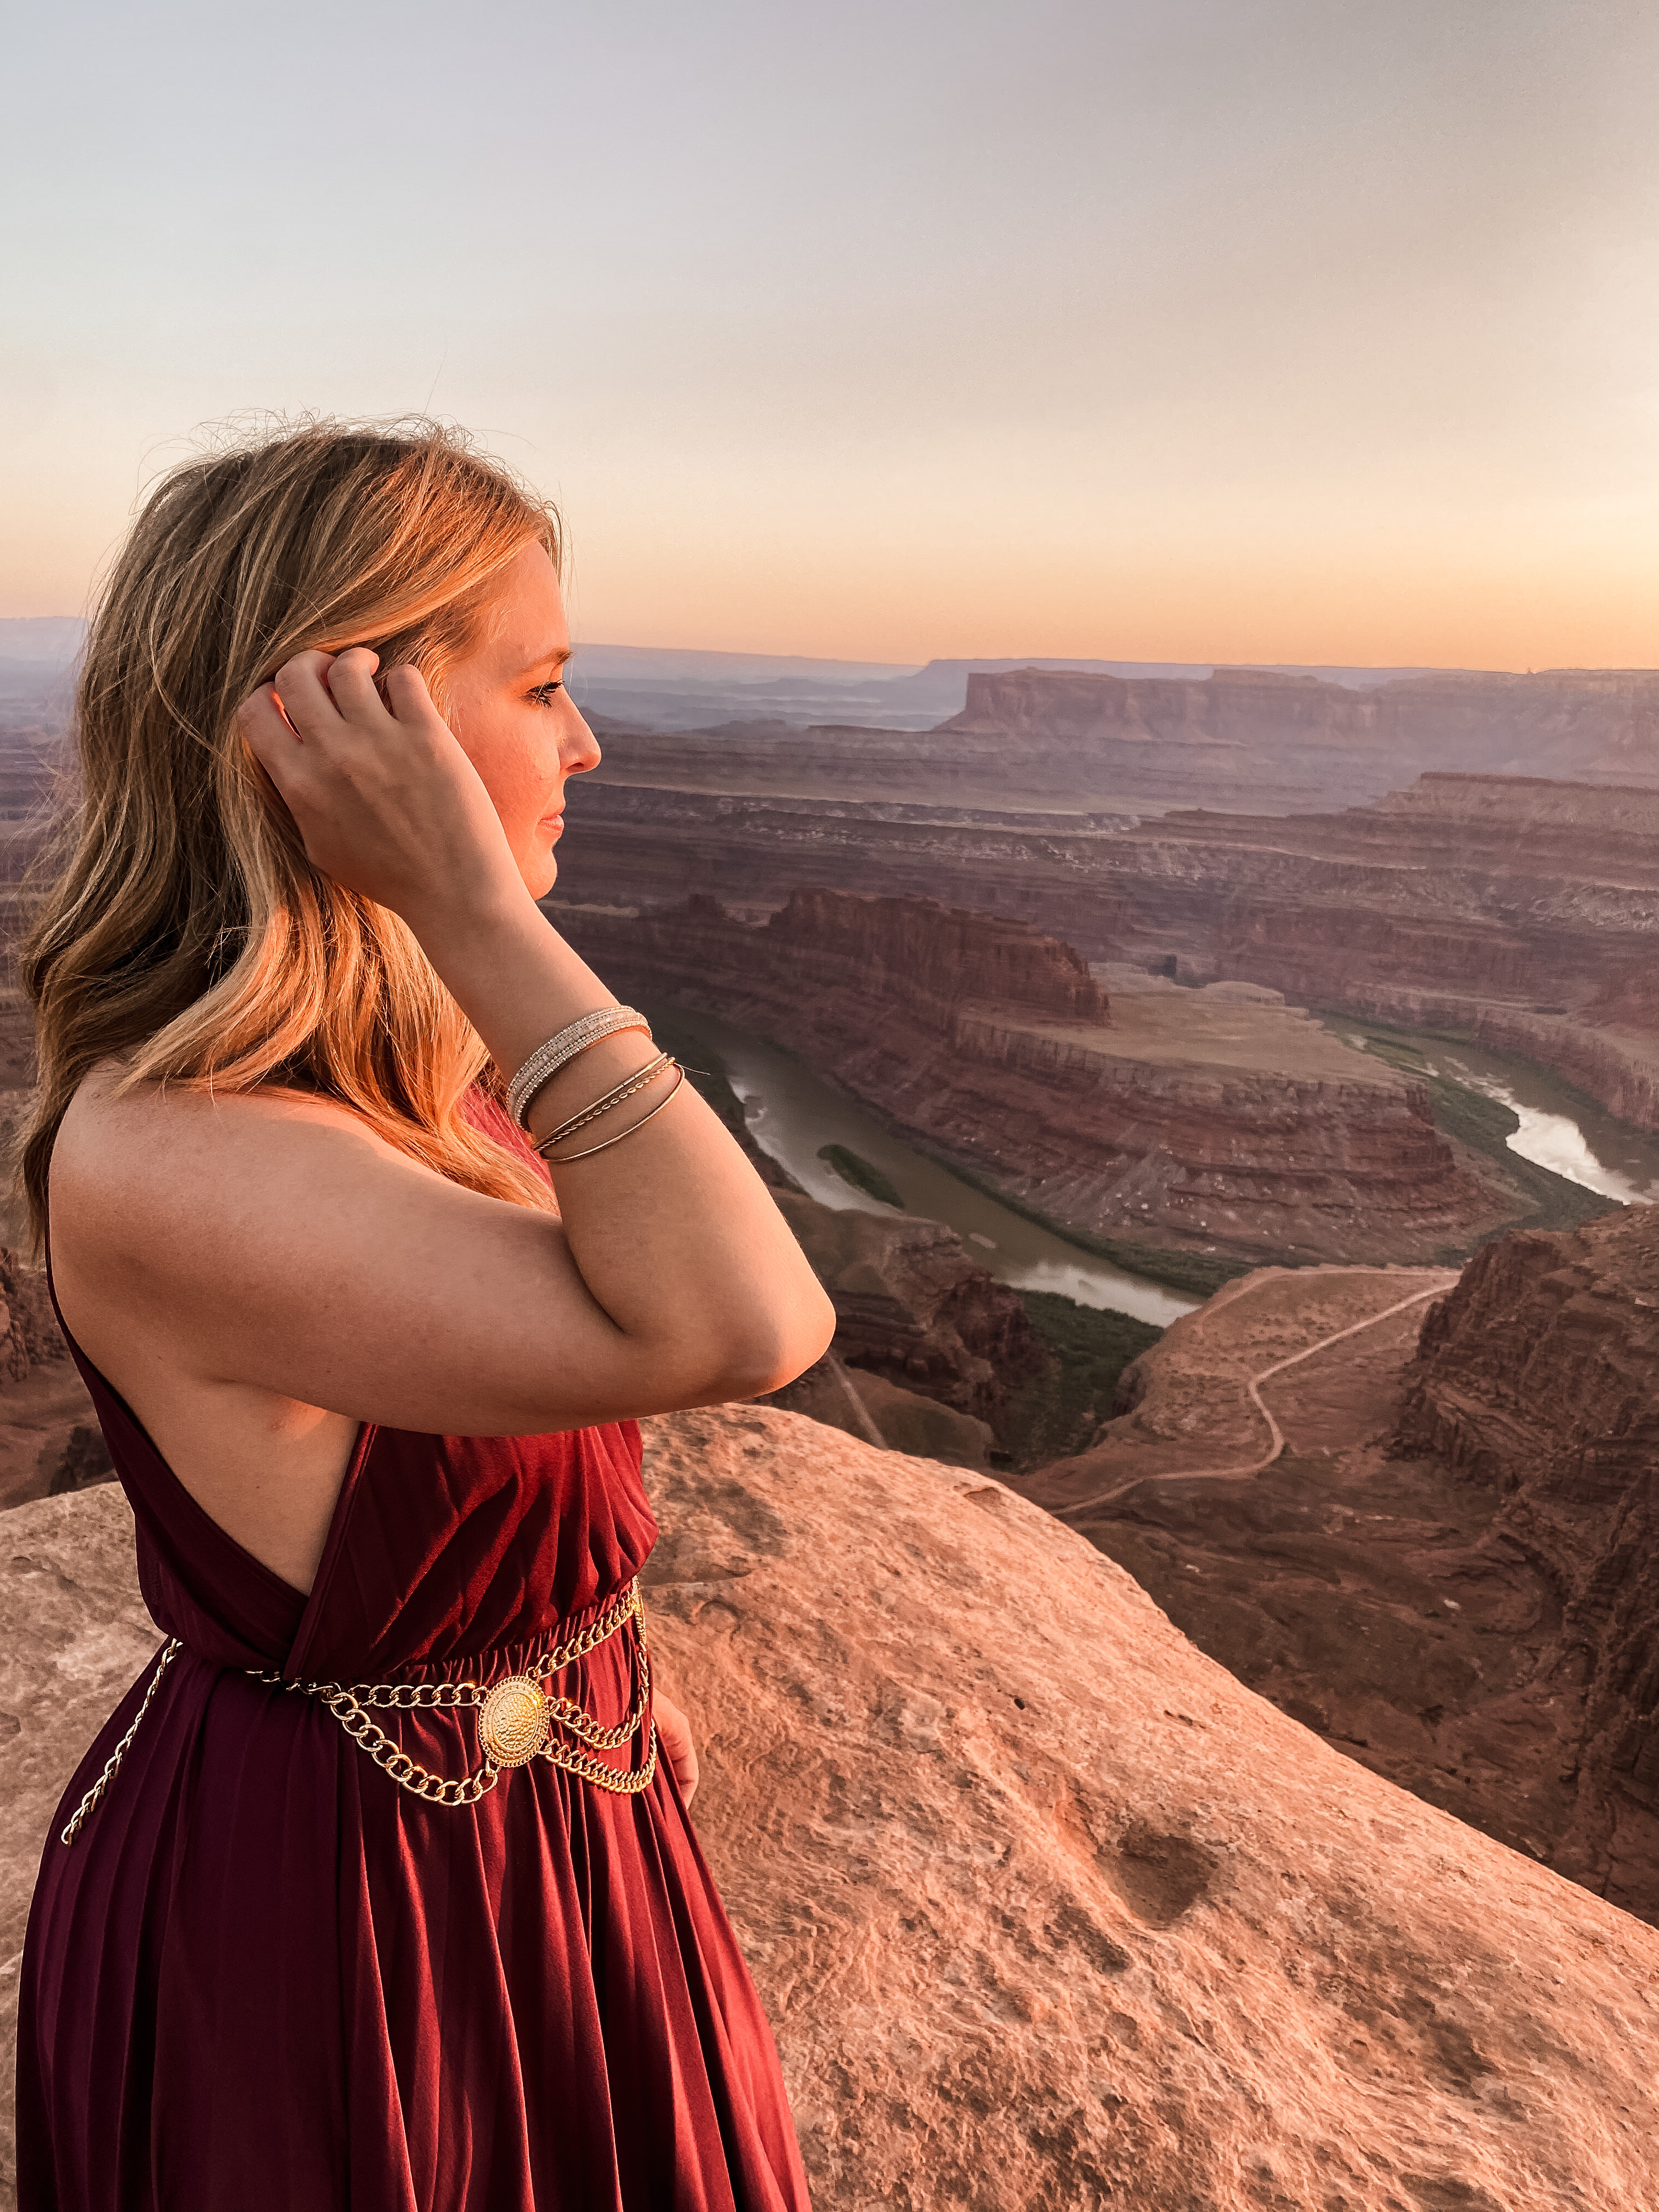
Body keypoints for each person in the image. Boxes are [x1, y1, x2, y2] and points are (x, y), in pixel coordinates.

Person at [13, 420, 836, 2211]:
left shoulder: (404, 1092)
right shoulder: (171, 1155)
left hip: (552, 1837)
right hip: (340, 1925)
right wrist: (468, 899)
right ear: (336, 730)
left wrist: (589, 1667)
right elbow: (747, 1322)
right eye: (541, 687)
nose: (588, 743)